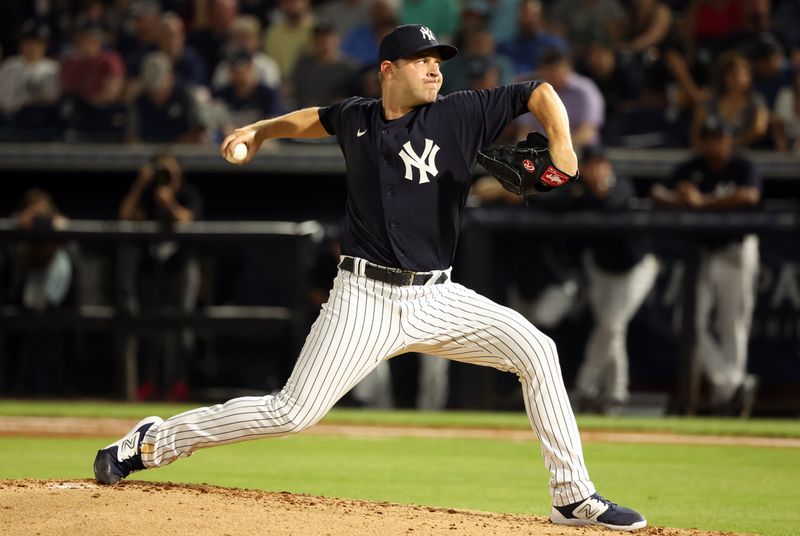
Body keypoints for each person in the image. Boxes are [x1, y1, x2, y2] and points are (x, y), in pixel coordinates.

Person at [93, 24, 647, 532]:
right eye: (421, 60)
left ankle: (572, 496)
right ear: (389, 70)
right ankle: (151, 443)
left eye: (438, 61)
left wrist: (564, 146)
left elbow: (538, 92)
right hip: (363, 298)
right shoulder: (357, 117)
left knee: (538, 352)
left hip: (437, 295)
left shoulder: (460, 113)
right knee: (291, 412)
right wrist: (261, 131)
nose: (435, 69)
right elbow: (314, 117)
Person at [651, 117, 761, 417]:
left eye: (721, 137)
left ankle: (731, 392)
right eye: (710, 137)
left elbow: (749, 195)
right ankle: (733, 385)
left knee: (733, 325)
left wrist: (702, 201)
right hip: (703, 253)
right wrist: (680, 199)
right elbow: (657, 192)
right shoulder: (692, 166)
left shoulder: (741, 166)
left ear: (730, 140)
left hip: (736, 251)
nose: (715, 143)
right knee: (686, 323)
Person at [569, 147, 658, 415]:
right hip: (601, 270)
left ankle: (586, 387)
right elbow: (553, 202)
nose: (596, 170)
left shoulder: (622, 185)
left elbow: (613, 202)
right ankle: (615, 396)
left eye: (600, 164)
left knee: (612, 325)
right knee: (612, 330)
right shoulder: (578, 191)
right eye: (590, 165)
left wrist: (589, 192)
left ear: (607, 166)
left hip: (635, 268)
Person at [117, 153, 203, 401]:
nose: (164, 175)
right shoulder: (147, 193)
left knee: (180, 328)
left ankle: (179, 384)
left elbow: (187, 220)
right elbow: (125, 215)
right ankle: (148, 384)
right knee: (147, 326)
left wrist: (169, 201)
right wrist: (141, 184)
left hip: (180, 269)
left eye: (169, 170)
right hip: (151, 268)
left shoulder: (188, 194)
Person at [689, 50, 769, 149]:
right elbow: (696, 131)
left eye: (744, 74)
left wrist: (733, 146)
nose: (739, 79)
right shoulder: (710, 101)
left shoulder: (756, 100)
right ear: (724, 76)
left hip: (747, 155)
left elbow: (759, 129)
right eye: (734, 74)